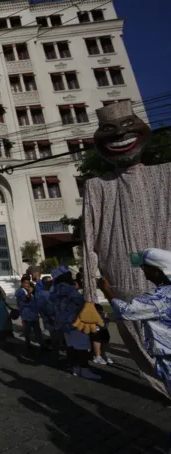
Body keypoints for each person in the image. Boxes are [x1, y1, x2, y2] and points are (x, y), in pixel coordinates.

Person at [80, 100, 171, 398]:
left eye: (127, 125)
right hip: (122, 284)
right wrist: (90, 299)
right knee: (146, 350)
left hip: (166, 284)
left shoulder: (166, 174)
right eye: (109, 130)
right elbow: (88, 241)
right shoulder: (97, 186)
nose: (120, 134)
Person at [98, 248, 171, 397]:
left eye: (145, 267)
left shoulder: (160, 297)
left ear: (158, 271)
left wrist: (106, 290)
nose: (143, 271)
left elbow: (126, 311)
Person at [48, 267, 100, 380]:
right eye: (68, 274)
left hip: (64, 323)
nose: (70, 276)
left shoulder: (54, 289)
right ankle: (85, 370)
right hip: (75, 321)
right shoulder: (67, 287)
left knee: (71, 346)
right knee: (82, 346)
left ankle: (75, 368)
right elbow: (79, 301)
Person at [15, 276, 45, 350]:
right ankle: (28, 344)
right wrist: (29, 293)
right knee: (27, 331)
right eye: (25, 283)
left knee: (37, 330)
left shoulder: (30, 291)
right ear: (22, 283)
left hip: (34, 313)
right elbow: (25, 300)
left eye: (28, 283)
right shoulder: (20, 291)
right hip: (26, 314)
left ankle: (42, 344)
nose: (27, 285)